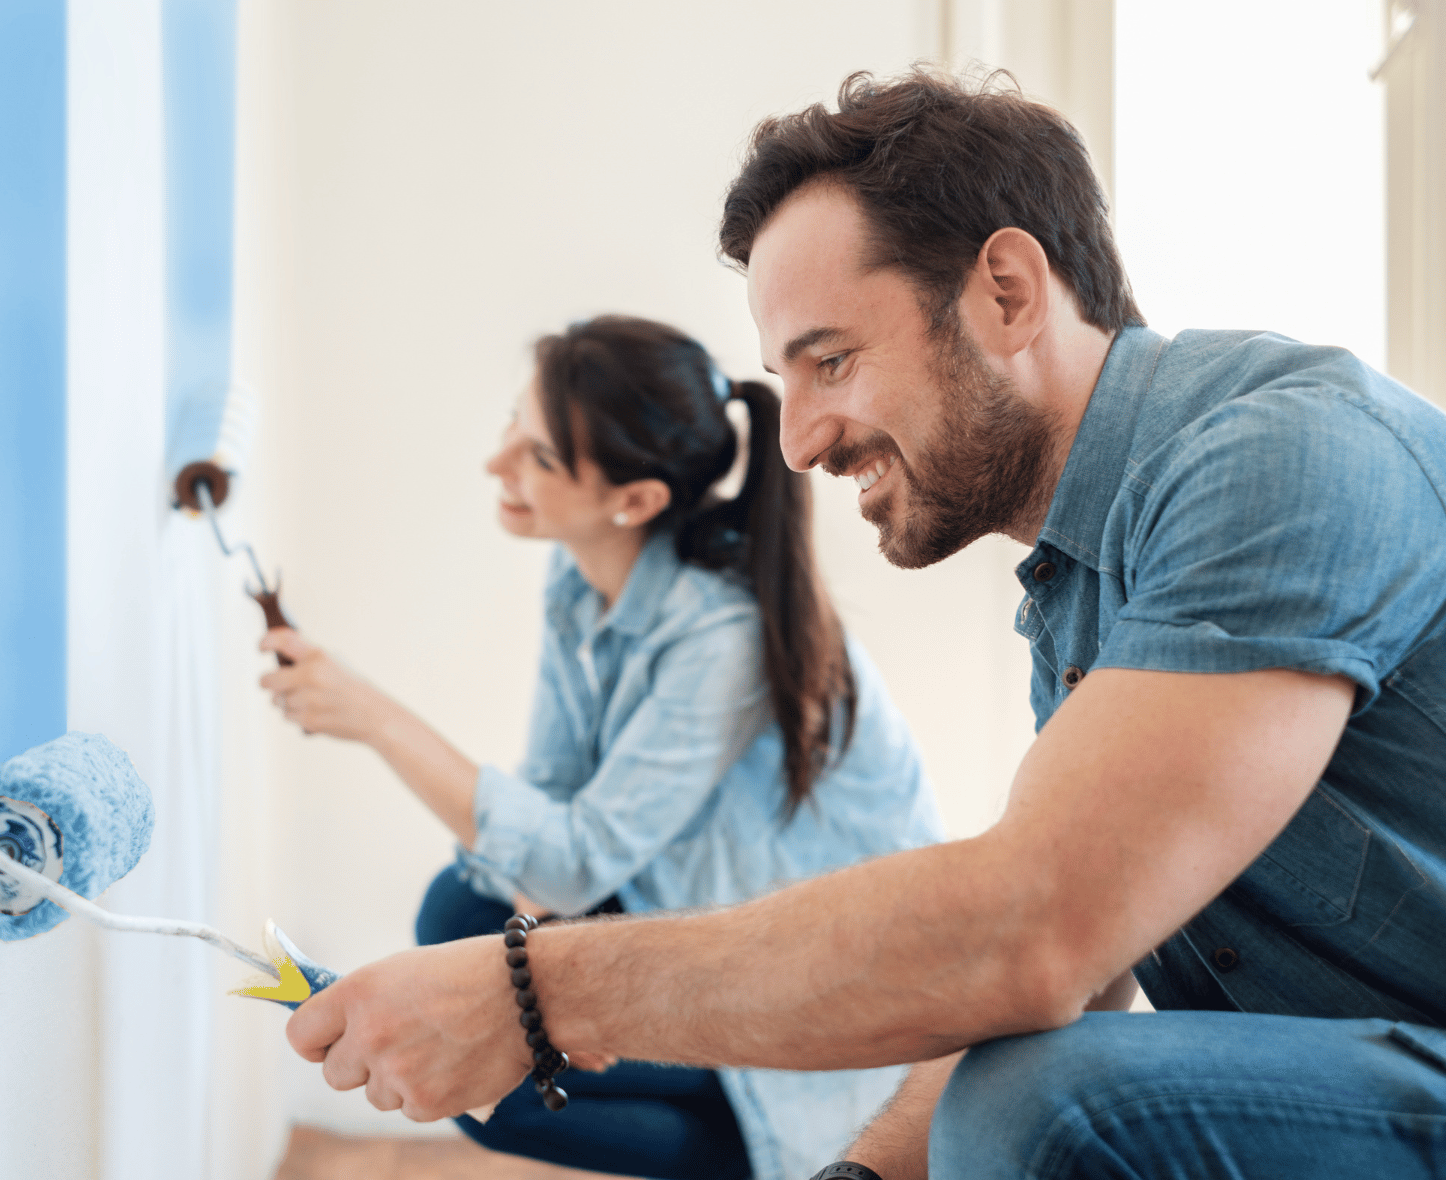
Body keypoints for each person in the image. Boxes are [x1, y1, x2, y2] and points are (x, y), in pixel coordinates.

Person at [279, 69, 1446, 1180]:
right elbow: (1077, 966)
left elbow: (1032, 933)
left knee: (1049, 1106)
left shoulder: (1285, 458)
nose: (802, 440)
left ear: (1009, 292)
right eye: (784, 384)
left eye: (830, 362)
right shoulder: (1079, 590)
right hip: (1392, 1077)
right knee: (1021, 1086)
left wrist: (537, 997)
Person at [259, 314, 943, 1180]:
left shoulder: (722, 637)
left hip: (814, 986)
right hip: (689, 908)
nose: (498, 463)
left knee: (487, 1034)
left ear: (636, 501)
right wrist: (548, 992)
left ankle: (759, 1147)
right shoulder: (580, 579)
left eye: (538, 456)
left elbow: (571, 866)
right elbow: (550, 801)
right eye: (517, 422)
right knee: (461, 922)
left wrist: (373, 718)